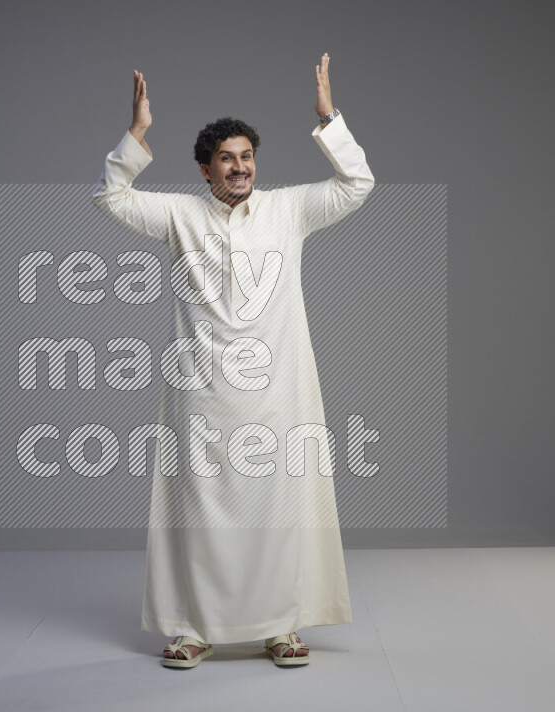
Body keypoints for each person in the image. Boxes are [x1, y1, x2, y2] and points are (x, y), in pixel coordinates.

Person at [92, 53, 375, 668]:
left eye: (247, 157)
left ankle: (281, 626)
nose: (240, 167)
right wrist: (136, 134)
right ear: (205, 168)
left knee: (278, 510)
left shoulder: (288, 210)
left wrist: (329, 120)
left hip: (277, 394)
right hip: (201, 395)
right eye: (227, 158)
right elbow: (111, 197)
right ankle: (195, 628)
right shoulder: (179, 214)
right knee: (200, 515)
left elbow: (357, 185)